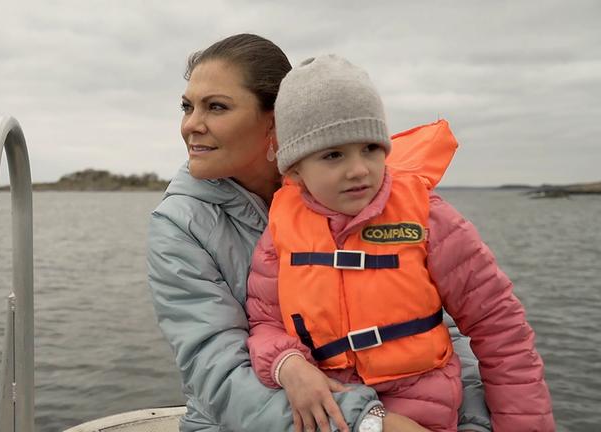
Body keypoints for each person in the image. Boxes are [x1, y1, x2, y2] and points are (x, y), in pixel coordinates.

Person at [147, 34, 491, 432]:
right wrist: (367, 423)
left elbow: (439, 327)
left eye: (216, 107)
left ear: (276, 120)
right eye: (187, 106)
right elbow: (217, 370)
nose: (191, 125)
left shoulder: (359, 193)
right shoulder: (179, 225)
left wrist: (474, 420)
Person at [246, 55, 554, 432]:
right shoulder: (280, 231)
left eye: (370, 148)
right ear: (295, 168)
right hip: (335, 413)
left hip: (423, 415)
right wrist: (288, 364)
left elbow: (500, 328)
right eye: (333, 155)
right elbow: (265, 323)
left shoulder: (430, 219)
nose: (359, 169)